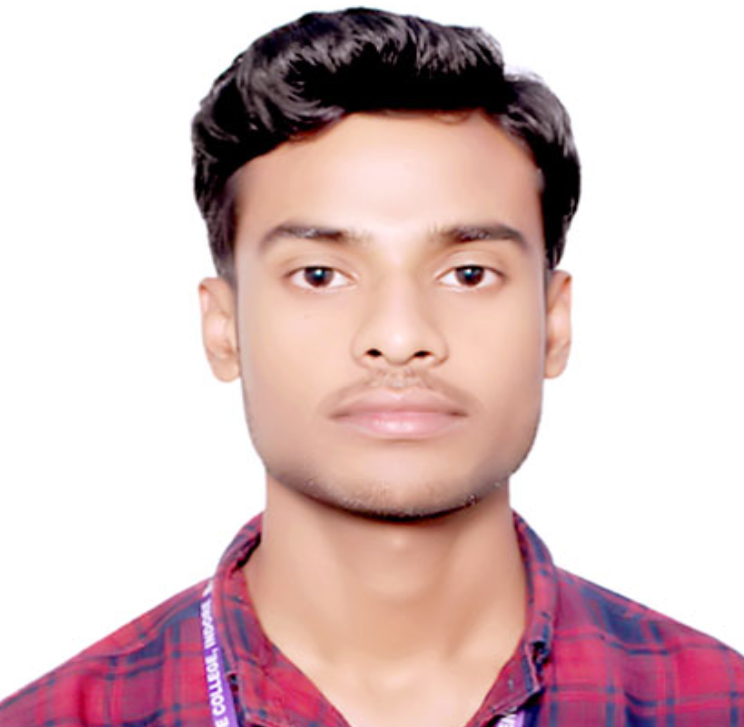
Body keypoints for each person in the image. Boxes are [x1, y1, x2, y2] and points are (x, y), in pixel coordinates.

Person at [1, 6, 742, 727]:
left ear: (553, 323)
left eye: (469, 274)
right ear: (223, 330)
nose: (399, 335)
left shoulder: (719, 703)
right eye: (320, 275)